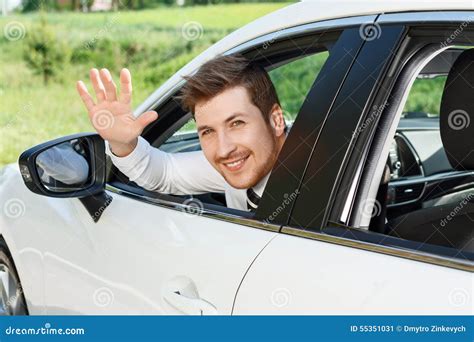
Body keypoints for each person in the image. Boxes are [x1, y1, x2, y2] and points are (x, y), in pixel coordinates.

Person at [76, 54, 287, 211]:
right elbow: (167, 173)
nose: (224, 149)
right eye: (208, 132)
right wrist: (122, 142)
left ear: (276, 120)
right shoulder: (240, 163)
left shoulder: (315, 185)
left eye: (237, 123)